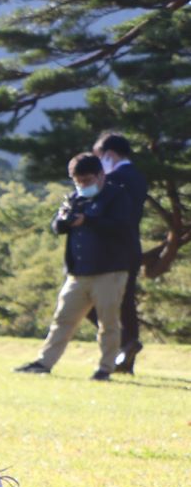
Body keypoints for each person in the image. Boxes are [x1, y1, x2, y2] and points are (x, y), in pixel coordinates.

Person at [13, 153, 132, 380]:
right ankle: (44, 362)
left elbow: (122, 228)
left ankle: (105, 368)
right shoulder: (75, 198)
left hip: (109, 271)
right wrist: (65, 219)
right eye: (78, 181)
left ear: (100, 175)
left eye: (86, 181)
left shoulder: (117, 196)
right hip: (78, 273)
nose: (82, 186)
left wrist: (88, 221)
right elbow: (57, 227)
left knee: (108, 323)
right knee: (62, 320)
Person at [93, 132, 147, 373]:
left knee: (88, 300)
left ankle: (124, 346)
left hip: (110, 249)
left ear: (109, 154)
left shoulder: (113, 178)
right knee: (127, 303)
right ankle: (127, 357)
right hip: (133, 246)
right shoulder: (138, 177)